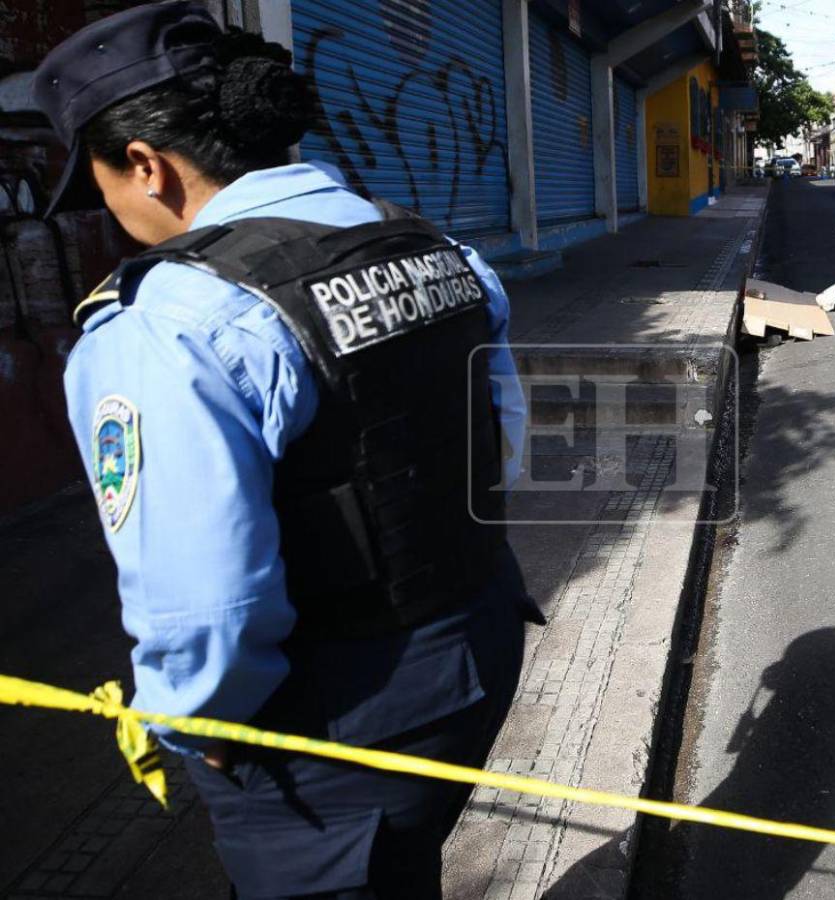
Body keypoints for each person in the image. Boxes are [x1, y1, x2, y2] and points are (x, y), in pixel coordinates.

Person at [33, 4, 540, 897]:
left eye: (104, 187)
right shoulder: (435, 248)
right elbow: (506, 443)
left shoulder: (169, 324)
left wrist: (194, 724)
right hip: (480, 641)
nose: (112, 213)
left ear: (147, 168)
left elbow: (205, 609)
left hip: (336, 722)